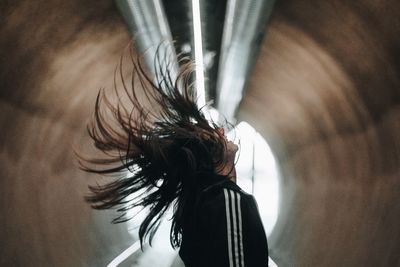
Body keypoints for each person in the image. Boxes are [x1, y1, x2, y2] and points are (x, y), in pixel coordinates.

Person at [79, 46, 269, 266]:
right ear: (208, 156)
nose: (222, 131)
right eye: (213, 133)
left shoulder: (202, 202)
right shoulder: (228, 200)